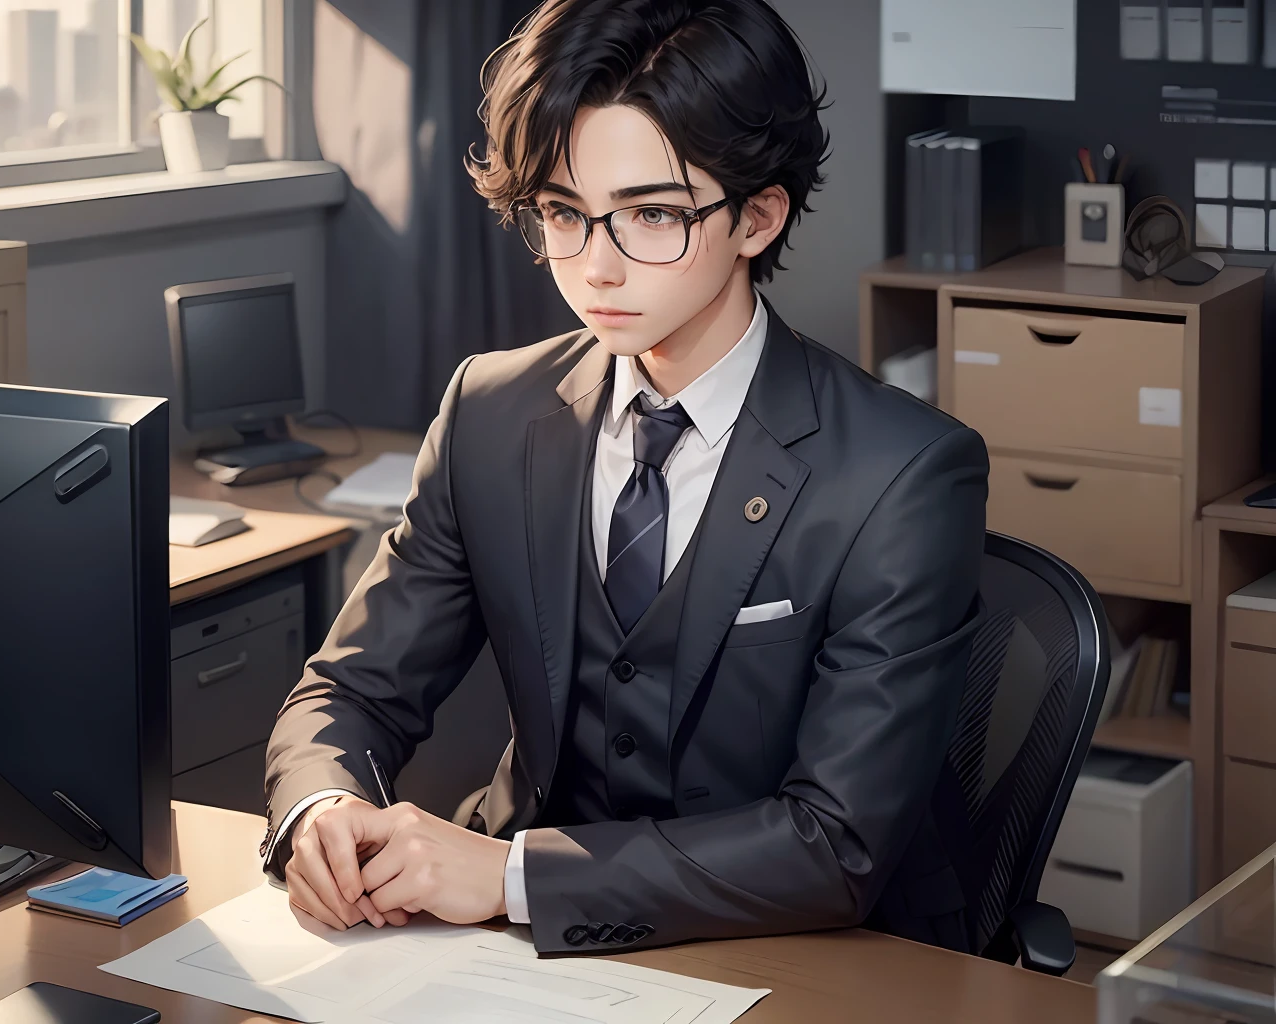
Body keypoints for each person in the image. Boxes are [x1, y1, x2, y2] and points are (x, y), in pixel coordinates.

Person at [261, 0, 989, 955]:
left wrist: (514, 875)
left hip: (790, 953)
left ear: (757, 217)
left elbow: (835, 844)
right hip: (516, 954)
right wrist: (323, 806)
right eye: (564, 213)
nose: (593, 266)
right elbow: (349, 692)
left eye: (651, 215)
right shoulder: (489, 411)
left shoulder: (904, 471)